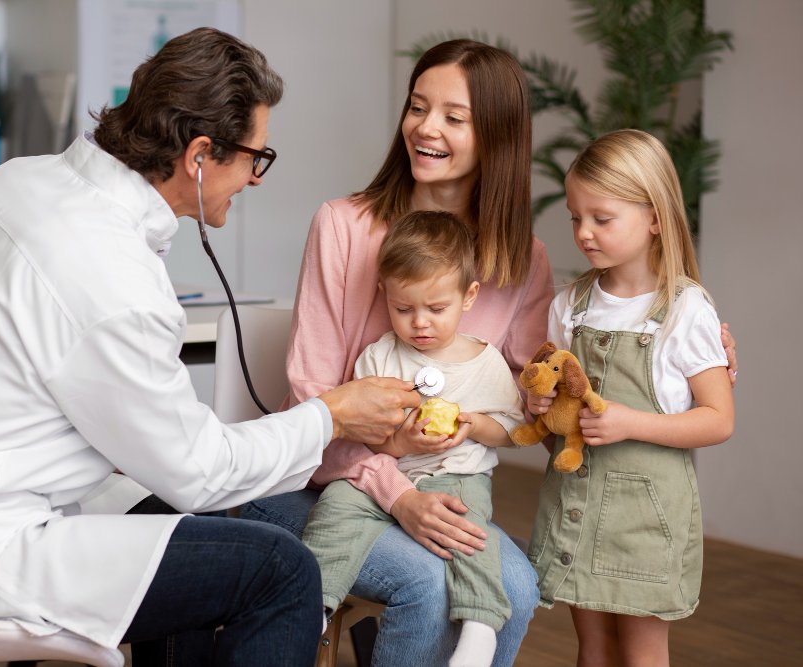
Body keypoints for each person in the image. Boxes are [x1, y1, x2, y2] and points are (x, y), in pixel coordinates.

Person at [0, 28, 421, 667]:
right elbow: (202, 472)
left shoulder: (17, 182)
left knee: (184, 523)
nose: (256, 179)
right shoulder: (110, 272)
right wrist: (333, 414)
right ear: (201, 155)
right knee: (279, 570)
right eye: (255, 158)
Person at [242, 39, 551, 666]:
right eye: (417, 107)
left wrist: (687, 339)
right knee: (428, 582)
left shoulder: (524, 260)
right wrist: (400, 496)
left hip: (444, 487)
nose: (425, 128)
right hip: (317, 482)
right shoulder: (343, 227)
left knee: (517, 589)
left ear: (496, 137)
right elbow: (313, 400)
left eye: (454, 118)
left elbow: (532, 399)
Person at [526, 129, 735, 666]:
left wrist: (628, 422)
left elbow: (717, 420)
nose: (584, 233)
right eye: (576, 217)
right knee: (592, 648)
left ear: (655, 218)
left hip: (646, 519)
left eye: (602, 217)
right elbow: (558, 409)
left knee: (641, 653)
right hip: (575, 505)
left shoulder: (686, 310)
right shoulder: (569, 305)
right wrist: (540, 410)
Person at [302, 210, 527, 667]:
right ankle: (313, 606)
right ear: (384, 292)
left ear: (469, 297)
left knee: (469, 536)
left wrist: (474, 425)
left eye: (436, 309)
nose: (420, 323)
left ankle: (481, 628)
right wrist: (399, 444)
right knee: (338, 506)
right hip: (384, 477)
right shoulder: (380, 356)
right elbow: (361, 437)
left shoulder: (484, 362)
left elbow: (512, 429)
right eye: (404, 310)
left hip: (456, 477)